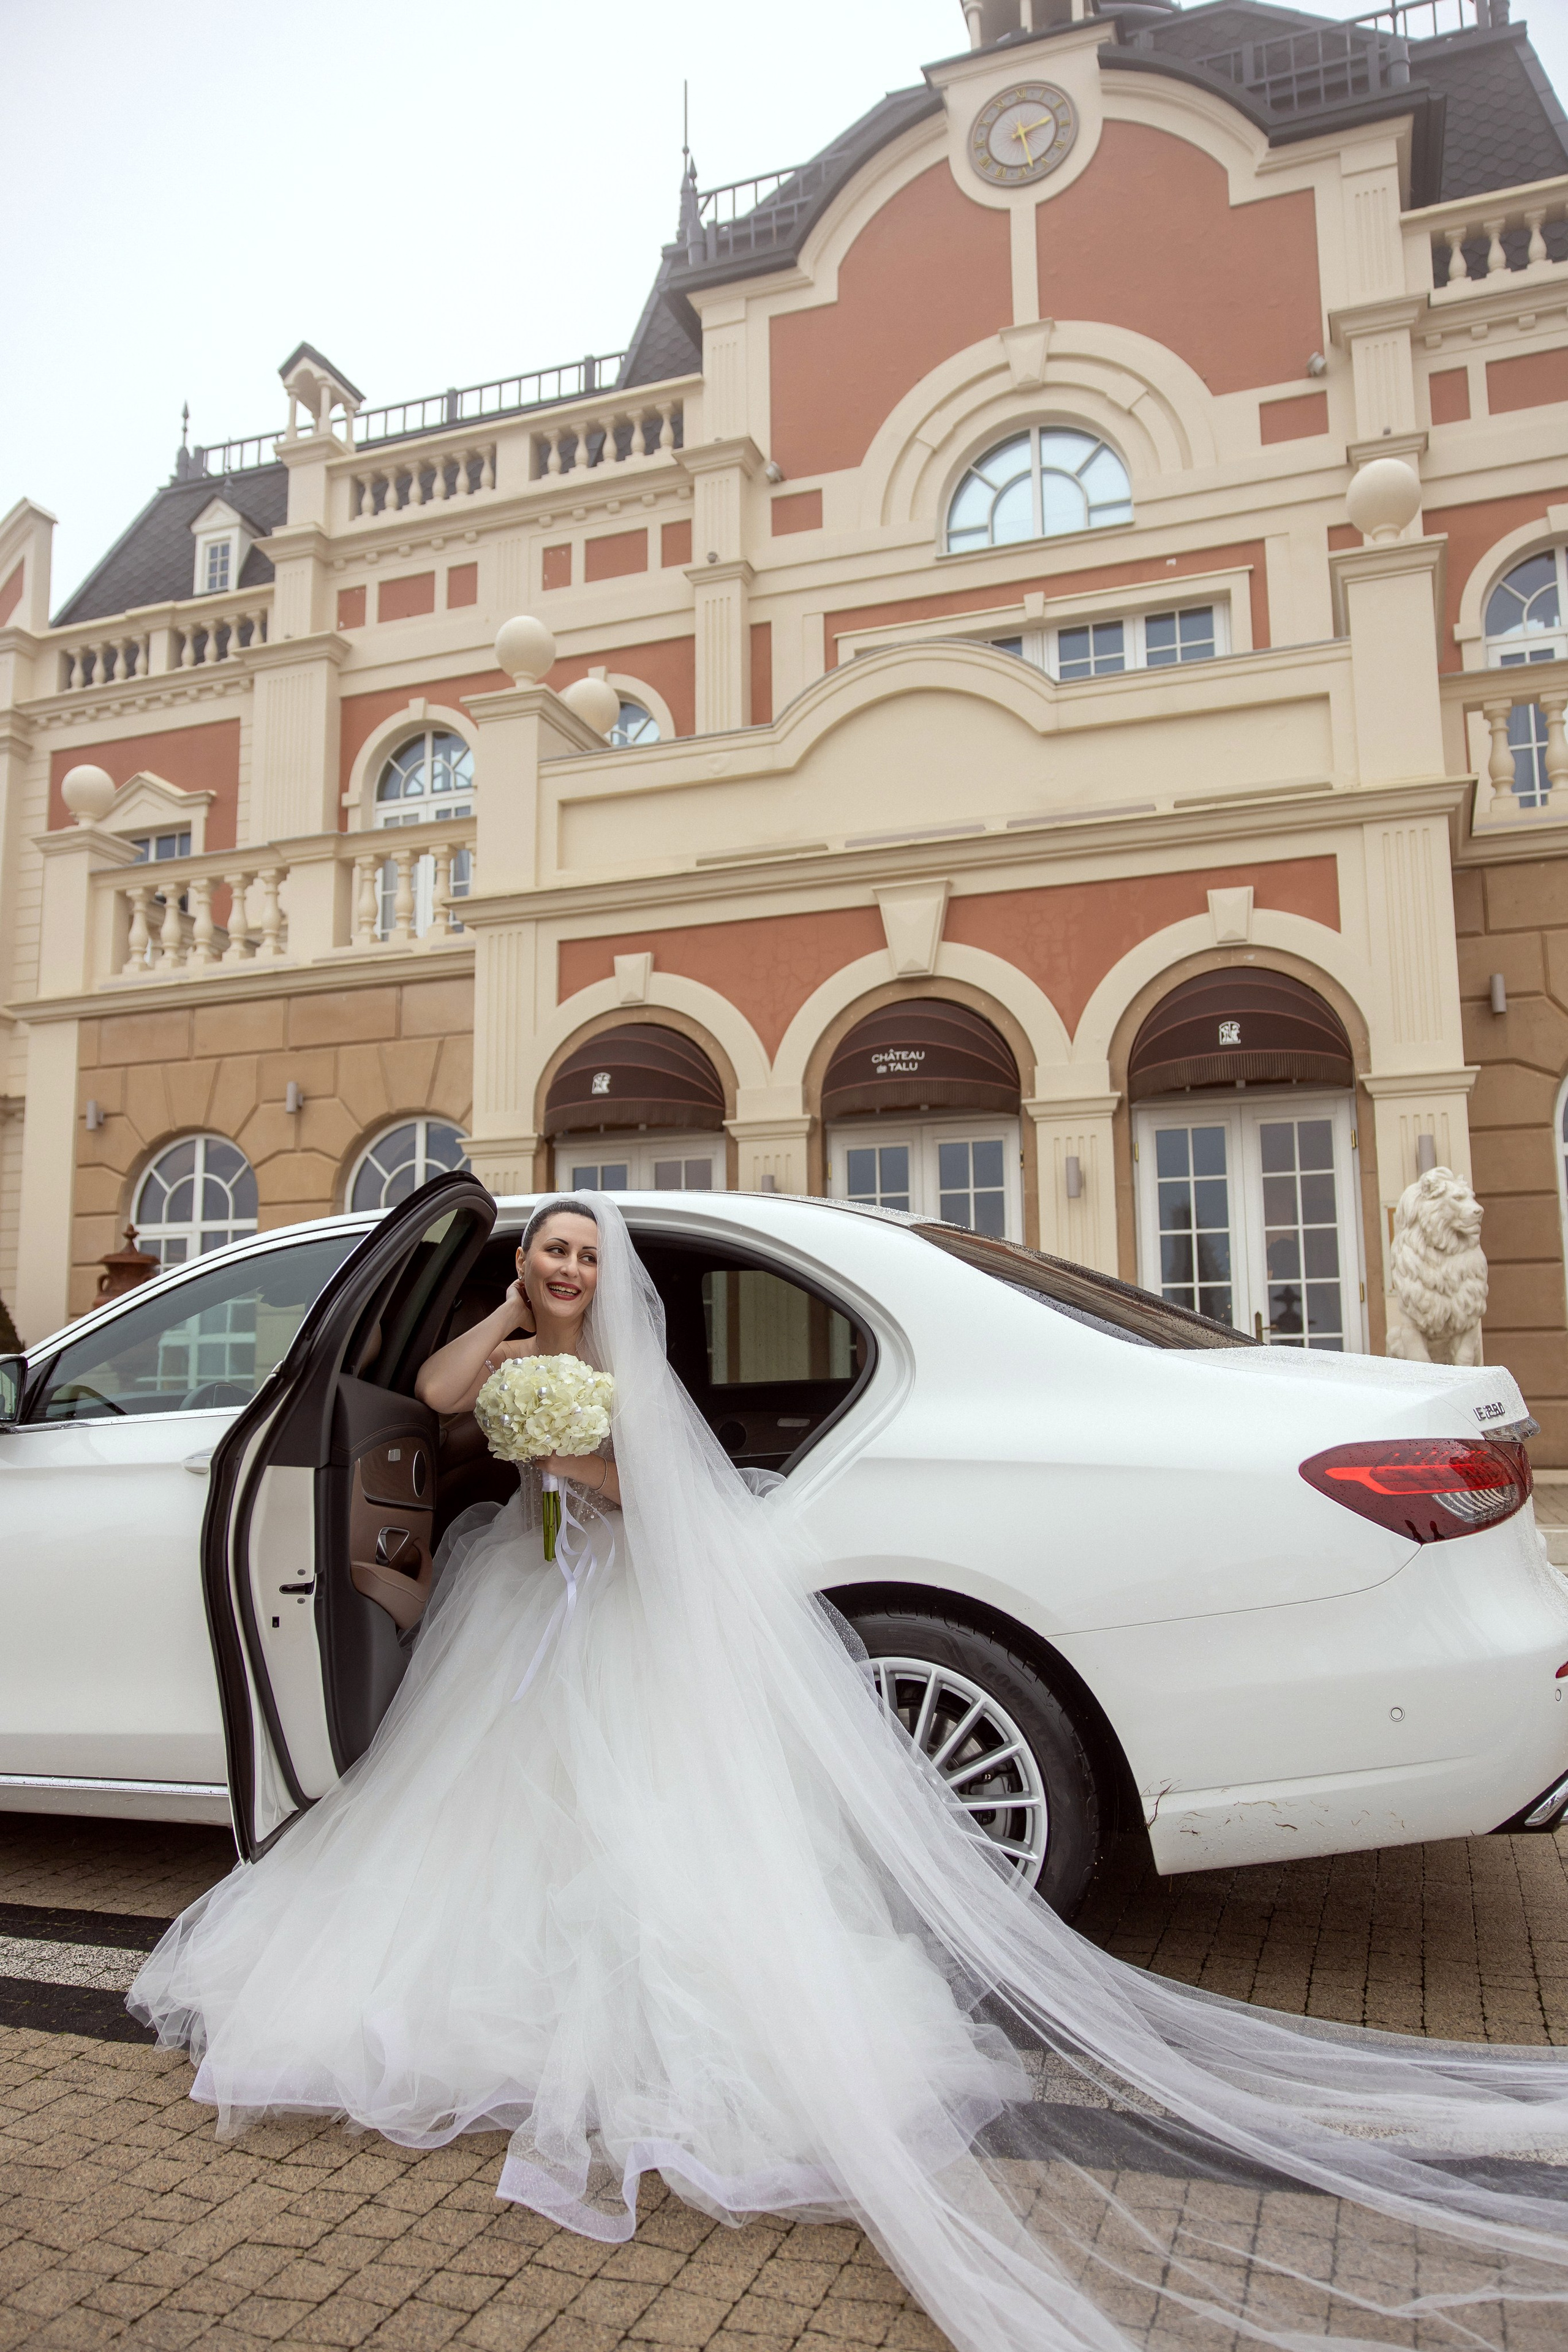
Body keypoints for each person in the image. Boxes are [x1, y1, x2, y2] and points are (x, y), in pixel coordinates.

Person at [132, 1197, 1568, 2352]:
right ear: (526, 1263)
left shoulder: (629, 1370)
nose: (566, 1266)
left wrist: (575, 1463)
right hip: (521, 1595)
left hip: (602, 1598)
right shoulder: (514, 1343)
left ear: (606, 1273)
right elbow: (439, 1395)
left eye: (580, 1254)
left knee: (626, 1812)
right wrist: (509, 1336)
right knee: (509, 1808)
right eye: (547, 1251)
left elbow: (652, 1489)